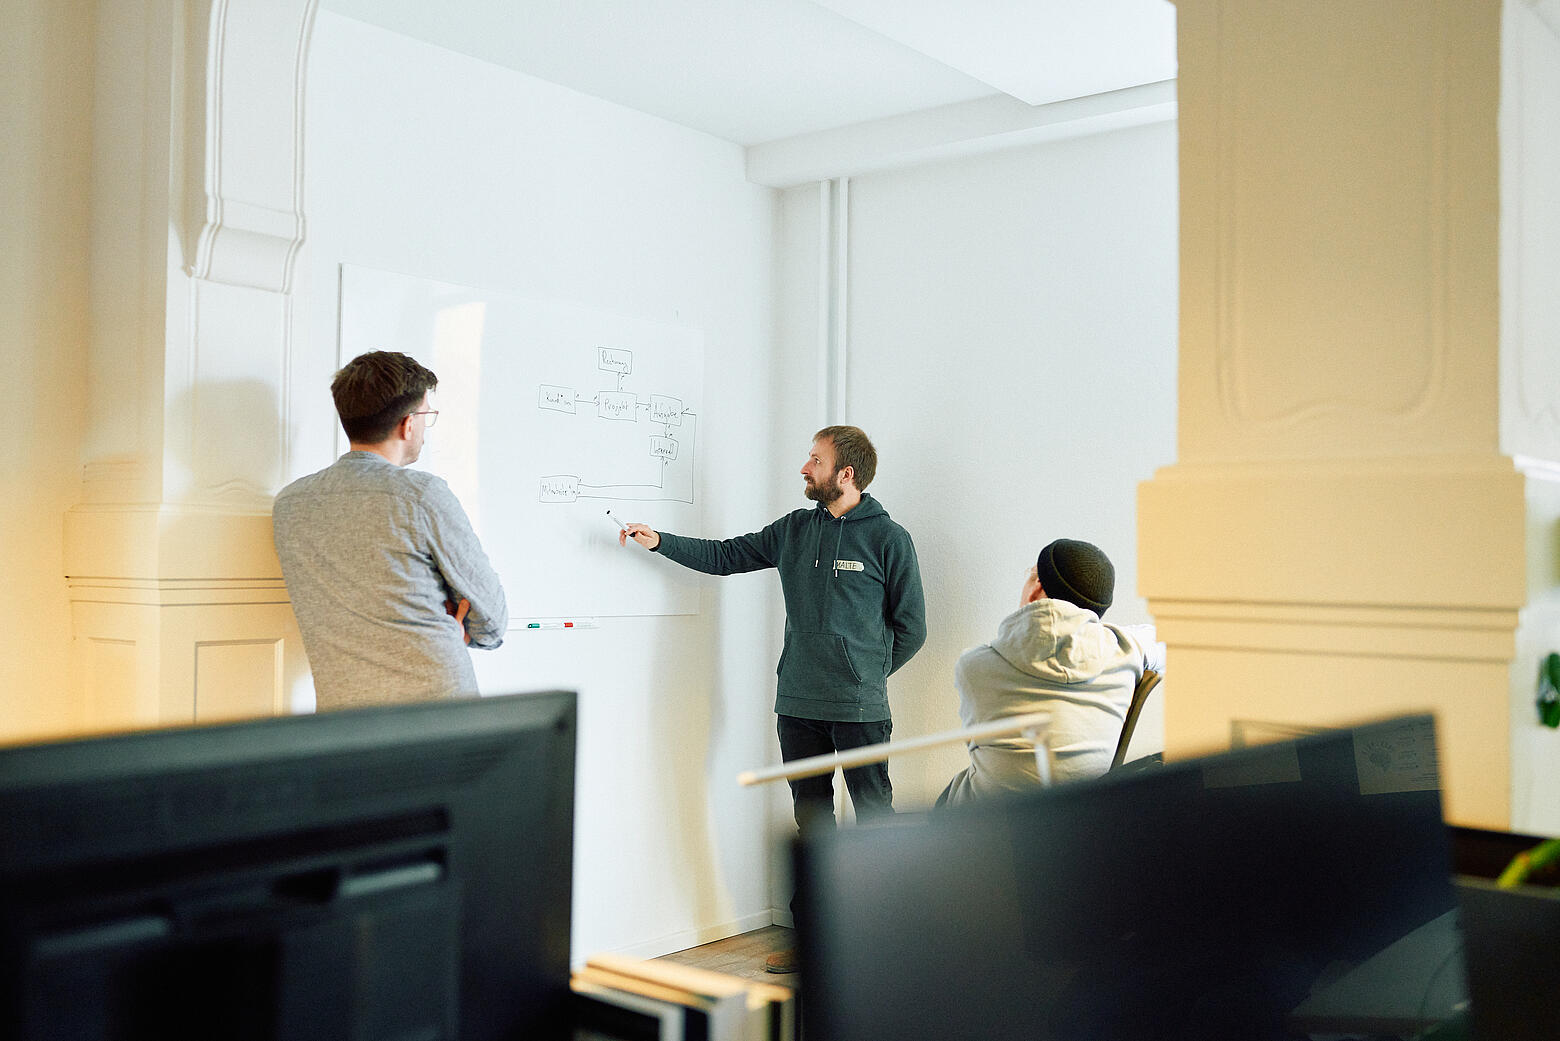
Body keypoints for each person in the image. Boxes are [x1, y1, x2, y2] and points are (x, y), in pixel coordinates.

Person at [618, 425, 926, 824]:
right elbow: (725, 557)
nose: (805, 467)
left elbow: (913, 629)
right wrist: (660, 541)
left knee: (875, 821)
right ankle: (815, 891)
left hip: (859, 709)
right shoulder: (794, 529)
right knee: (811, 823)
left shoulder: (888, 538)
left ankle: (887, 890)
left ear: (846, 474)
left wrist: (863, 674)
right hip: (798, 704)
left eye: (816, 460)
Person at [273, 351, 507, 709]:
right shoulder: (422, 495)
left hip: (343, 717)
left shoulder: (290, 504)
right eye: (427, 415)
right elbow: (491, 620)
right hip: (437, 715)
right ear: (407, 424)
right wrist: (450, 624)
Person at [938, 538, 1164, 806]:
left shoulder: (974, 666)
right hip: (1078, 825)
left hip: (988, 825)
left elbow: (977, 747)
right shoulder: (1129, 649)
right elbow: (1170, 638)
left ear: (1036, 590)